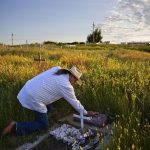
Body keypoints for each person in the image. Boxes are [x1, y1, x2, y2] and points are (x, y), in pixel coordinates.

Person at [2, 66, 97, 136]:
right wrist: (86, 112)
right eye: (75, 80)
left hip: (27, 88)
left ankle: (49, 113)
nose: (74, 83)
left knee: (50, 100)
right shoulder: (66, 86)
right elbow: (75, 102)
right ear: (72, 76)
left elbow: (48, 84)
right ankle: (16, 126)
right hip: (33, 97)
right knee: (43, 125)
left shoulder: (57, 69)